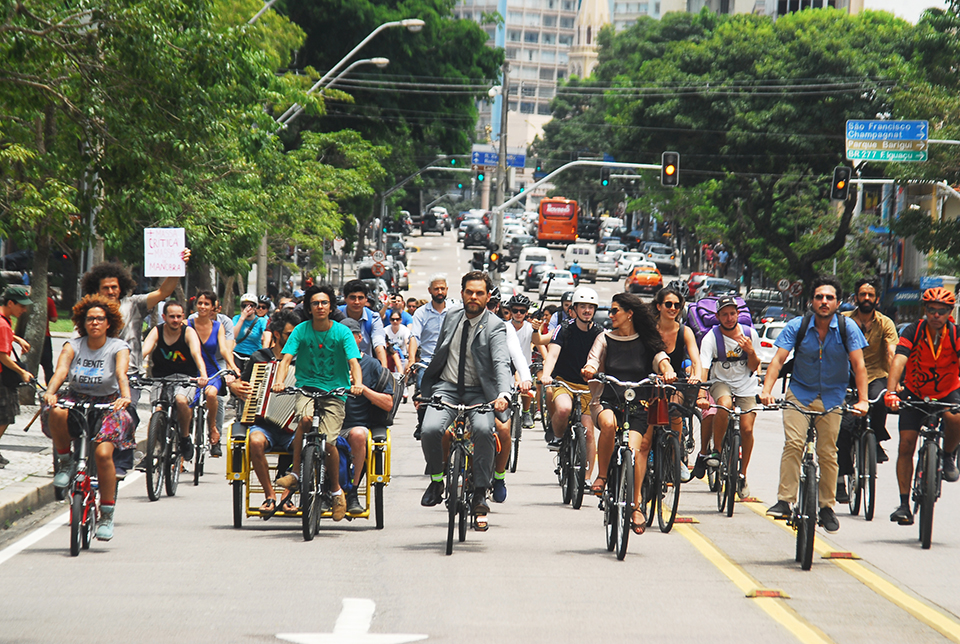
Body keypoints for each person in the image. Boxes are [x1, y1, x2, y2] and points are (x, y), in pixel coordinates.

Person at [761, 275, 869, 534]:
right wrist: (766, 390)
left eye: (829, 298)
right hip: (799, 394)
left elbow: (859, 366)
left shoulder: (848, 328)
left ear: (838, 302)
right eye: (819, 297)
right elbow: (777, 361)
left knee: (828, 452)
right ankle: (785, 501)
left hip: (833, 397)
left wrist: (864, 400)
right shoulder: (797, 326)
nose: (824, 301)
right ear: (811, 301)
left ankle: (826, 507)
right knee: (794, 444)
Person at [81, 252, 190, 475]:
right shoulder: (88, 311)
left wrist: (176, 266)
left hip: (129, 375)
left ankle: (122, 461)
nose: (111, 291)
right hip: (95, 374)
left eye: (114, 287)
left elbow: (164, 292)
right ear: (96, 290)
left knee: (127, 412)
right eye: (106, 288)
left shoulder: (134, 304)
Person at [419, 272, 512, 532]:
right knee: (429, 430)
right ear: (461, 293)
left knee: (483, 430)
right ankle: (437, 481)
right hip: (447, 387)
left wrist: (503, 394)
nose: (473, 297)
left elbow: (501, 363)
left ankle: (481, 492)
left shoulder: (495, 326)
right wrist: (424, 389)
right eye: (469, 292)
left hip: (479, 392)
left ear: (488, 296)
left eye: (479, 293)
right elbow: (440, 352)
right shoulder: (451, 317)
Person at [582, 292, 675, 534]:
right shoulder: (604, 338)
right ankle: (601, 476)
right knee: (609, 425)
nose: (610, 315)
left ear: (629, 314)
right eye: (610, 311)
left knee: (635, 451)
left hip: (638, 405)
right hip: (608, 401)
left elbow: (661, 359)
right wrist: (590, 369)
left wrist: (667, 370)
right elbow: (593, 360)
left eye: (615, 311)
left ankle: (635, 506)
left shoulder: (646, 341)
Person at [44, 295, 135, 541]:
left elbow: (120, 373)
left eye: (99, 319)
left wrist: (125, 397)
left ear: (109, 323)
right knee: (56, 411)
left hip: (109, 404)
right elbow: (61, 371)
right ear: (82, 322)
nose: (94, 323)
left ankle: (106, 514)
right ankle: (66, 462)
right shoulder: (72, 345)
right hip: (76, 399)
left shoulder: (118, 347)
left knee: (104, 455)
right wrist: (50, 393)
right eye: (90, 319)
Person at [272, 284, 363, 522]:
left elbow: (354, 362)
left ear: (331, 306)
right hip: (307, 387)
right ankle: (295, 473)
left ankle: (335, 491)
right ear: (309, 308)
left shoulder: (342, 332)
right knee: (303, 419)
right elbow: (285, 359)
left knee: (329, 441)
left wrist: (358, 384)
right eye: (315, 303)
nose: (320, 307)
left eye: (324, 303)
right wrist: (279, 382)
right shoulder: (301, 330)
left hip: (335, 392)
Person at [884, 287, 960, 525]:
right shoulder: (913, 330)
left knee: (955, 418)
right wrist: (891, 390)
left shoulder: (956, 334)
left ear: (950, 312)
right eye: (931, 310)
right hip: (915, 392)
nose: (936, 315)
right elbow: (900, 358)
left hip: (948, 391)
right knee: (906, 445)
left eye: (942, 311)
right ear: (925, 310)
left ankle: (948, 456)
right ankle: (904, 504)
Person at [228, 309, 301, 517]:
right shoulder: (260, 357)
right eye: (289, 334)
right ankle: (270, 496)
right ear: (277, 334)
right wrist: (235, 386)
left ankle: (287, 496)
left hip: (294, 426)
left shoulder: (302, 359)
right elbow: (242, 381)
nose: (293, 339)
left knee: (307, 441)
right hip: (263, 423)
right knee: (255, 441)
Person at [836, 277, 898, 503]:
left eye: (870, 295)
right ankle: (841, 478)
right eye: (863, 295)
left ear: (877, 299)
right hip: (845, 378)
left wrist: (895, 382)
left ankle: (877, 437)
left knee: (880, 400)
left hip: (875, 376)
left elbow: (892, 353)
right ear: (856, 298)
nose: (866, 299)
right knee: (843, 427)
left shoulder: (885, 323)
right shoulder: (843, 321)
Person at [697, 295, 760, 498]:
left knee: (747, 428)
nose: (729, 318)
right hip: (720, 382)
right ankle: (716, 450)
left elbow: (754, 366)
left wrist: (751, 351)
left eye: (732, 313)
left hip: (746, 386)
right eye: (724, 314)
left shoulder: (750, 334)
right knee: (723, 404)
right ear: (718, 316)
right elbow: (704, 368)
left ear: (738, 314)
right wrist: (701, 393)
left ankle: (742, 475)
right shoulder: (711, 338)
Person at [540, 287, 602, 483]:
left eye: (590, 307)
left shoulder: (600, 333)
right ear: (573, 309)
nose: (586, 311)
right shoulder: (564, 329)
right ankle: (558, 436)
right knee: (564, 408)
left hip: (588, 387)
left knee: (589, 433)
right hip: (564, 382)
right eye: (582, 306)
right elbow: (552, 355)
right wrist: (547, 375)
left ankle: (586, 477)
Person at [340, 317, 395, 515]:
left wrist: (362, 388)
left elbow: (388, 403)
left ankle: (353, 491)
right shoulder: (326, 362)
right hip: (328, 423)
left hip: (357, 426)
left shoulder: (371, 365)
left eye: (349, 337)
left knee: (358, 435)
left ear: (359, 338)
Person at [141, 300, 208, 460]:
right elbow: (144, 351)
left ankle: (185, 438)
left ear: (183, 316)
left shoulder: (188, 332)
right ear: (164, 317)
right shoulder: (157, 331)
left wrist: (203, 375)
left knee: (181, 400)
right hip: (161, 378)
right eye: (171, 317)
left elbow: (197, 355)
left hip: (185, 378)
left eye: (179, 316)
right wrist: (132, 368)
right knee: (157, 410)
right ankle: (153, 451)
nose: (175, 320)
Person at [487, 288, 533, 504]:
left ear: (497, 307)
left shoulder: (505, 328)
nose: (487, 309)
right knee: (445, 431)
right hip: (467, 389)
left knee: (504, 430)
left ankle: (498, 477)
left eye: (492, 305)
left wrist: (526, 379)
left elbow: (518, 356)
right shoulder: (459, 321)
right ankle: (442, 477)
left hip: (498, 387)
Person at [653, 287, 703, 482]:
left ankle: (676, 456)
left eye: (677, 305)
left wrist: (696, 376)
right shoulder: (650, 329)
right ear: (659, 306)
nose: (673, 308)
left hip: (677, 382)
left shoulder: (685, 331)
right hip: (651, 381)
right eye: (668, 304)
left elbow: (696, 359)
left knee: (675, 411)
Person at [188, 290, 240, 457]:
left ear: (215, 307)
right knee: (182, 404)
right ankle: (182, 441)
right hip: (192, 368)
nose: (204, 308)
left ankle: (213, 430)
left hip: (214, 366)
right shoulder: (187, 323)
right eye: (200, 303)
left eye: (208, 304)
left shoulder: (222, 324)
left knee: (213, 396)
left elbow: (226, 349)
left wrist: (233, 367)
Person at [408, 274, 450, 438]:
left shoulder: (455, 310)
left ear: (447, 290)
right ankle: (422, 422)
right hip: (427, 362)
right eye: (436, 289)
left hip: (449, 362)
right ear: (430, 291)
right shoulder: (421, 313)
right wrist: (412, 361)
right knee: (422, 393)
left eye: (442, 288)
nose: (440, 292)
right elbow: (414, 337)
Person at [0, 285, 35, 467]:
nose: (24, 310)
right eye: (21, 306)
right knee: (6, 415)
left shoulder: (4, 320)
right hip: (1, 378)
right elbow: (3, 356)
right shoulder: (3, 324)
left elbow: (5, 334)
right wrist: (22, 372)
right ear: (10, 303)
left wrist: (17, 338)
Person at [339, 280, 388, 368]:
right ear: (345, 298)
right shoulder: (336, 316)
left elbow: (379, 344)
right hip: (338, 366)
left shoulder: (373, 318)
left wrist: (384, 372)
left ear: (366, 299)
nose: (357, 302)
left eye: (360, 298)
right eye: (352, 298)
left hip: (365, 368)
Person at [232, 293, 268, 372]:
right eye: (244, 306)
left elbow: (266, 337)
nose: (247, 308)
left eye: (251, 306)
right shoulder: (236, 318)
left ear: (255, 307)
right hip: (238, 354)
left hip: (254, 355)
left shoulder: (261, 321)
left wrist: (264, 354)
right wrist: (242, 318)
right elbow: (233, 335)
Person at [384, 309, 412, 374]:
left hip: (403, 356)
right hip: (389, 354)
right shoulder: (385, 330)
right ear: (390, 320)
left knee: (405, 364)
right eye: (392, 319)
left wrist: (409, 357)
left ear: (401, 320)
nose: (395, 321)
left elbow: (407, 343)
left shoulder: (405, 330)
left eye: (397, 319)